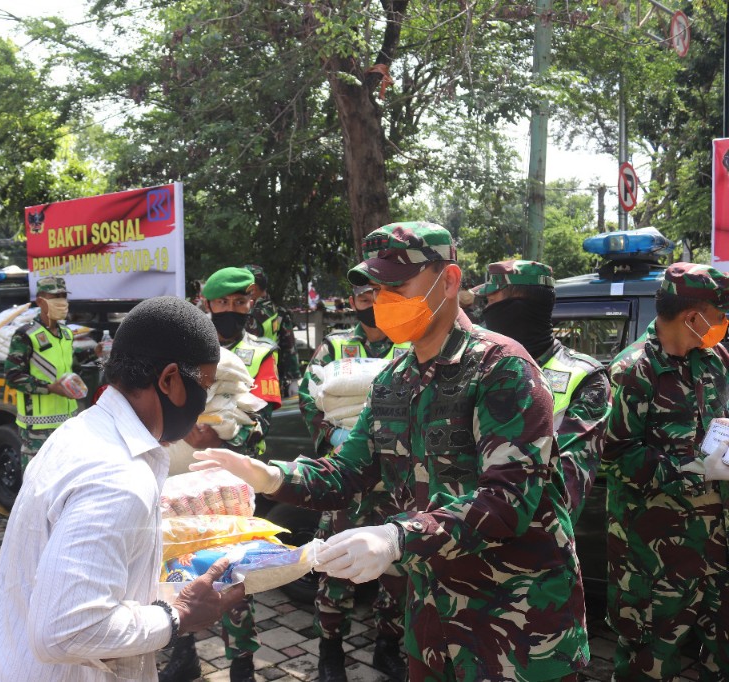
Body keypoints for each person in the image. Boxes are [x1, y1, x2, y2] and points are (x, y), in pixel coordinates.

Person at [193, 222, 589, 682]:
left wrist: (397, 537)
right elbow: (348, 471)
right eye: (377, 288)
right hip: (433, 620)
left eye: (397, 286)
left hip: (517, 622)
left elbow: (508, 502)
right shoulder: (393, 377)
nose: (384, 300)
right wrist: (271, 477)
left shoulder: (502, 368)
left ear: (450, 281)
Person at [0, 296, 246, 681]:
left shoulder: (81, 431)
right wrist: (178, 615)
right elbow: (66, 630)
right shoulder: (120, 478)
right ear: (168, 380)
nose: (204, 402)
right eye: (204, 386)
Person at [602, 262, 729, 680]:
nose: (723, 323)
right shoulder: (632, 371)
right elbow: (616, 456)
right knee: (649, 662)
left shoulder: (715, 360)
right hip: (654, 556)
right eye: (718, 314)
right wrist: (696, 472)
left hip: (718, 546)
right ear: (693, 317)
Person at [161, 267, 281, 682]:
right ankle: (182, 650)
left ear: (251, 305)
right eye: (224, 303)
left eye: (241, 303)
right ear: (207, 304)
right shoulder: (181, 348)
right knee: (176, 560)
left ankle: (242, 662)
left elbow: (265, 411)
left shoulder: (261, 352)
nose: (232, 310)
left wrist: (223, 438)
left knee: (232, 568)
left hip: (232, 479)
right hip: (179, 479)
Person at [298, 283, 410, 682]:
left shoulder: (408, 340)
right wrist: (332, 436)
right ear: (354, 303)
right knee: (335, 566)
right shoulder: (335, 346)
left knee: (398, 574)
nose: (373, 306)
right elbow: (308, 396)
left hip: (397, 479)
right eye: (365, 300)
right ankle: (331, 653)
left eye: (380, 298)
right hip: (346, 476)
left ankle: (387, 646)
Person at [476, 259, 611, 525]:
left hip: (535, 550)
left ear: (517, 308)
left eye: (491, 301)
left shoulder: (585, 377)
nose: (485, 314)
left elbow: (566, 489)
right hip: (462, 540)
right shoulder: (478, 370)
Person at [5, 275, 81, 469]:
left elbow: (73, 368)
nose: (62, 302)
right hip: (37, 429)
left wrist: (97, 356)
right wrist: (49, 388)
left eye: (64, 296)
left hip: (67, 423)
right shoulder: (26, 335)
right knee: (37, 484)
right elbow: (13, 377)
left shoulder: (66, 334)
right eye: (56, 297)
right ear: (40, 301)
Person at [244, 264, 301, 396]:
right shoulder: (278, 312)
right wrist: (294, 378)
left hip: (247, 379)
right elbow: (289, 348)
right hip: (271, 380)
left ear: (253, 288)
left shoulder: (247, 313)